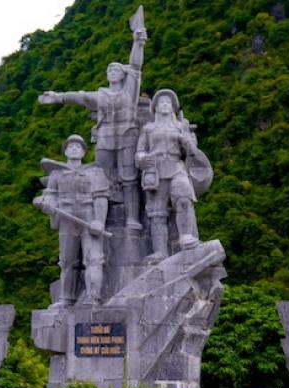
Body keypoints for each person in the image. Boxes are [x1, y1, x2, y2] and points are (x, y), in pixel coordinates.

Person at [38, 24, 147, 231]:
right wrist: (57, 97)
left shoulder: (129, 92)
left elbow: (136, 67)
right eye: (109, 69)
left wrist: (138, 42)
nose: (113, 72)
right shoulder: (101, 95)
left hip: (127, 135)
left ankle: (133, 218)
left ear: (123, 74)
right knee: (102, 177)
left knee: (129, 178)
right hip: (105, 137)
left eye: (116, 69)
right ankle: (102, 216)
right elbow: (79, 96)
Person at [34, 135, 109, 307]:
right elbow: (50, 195)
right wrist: (47, 204)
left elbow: (101, 197)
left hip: (88, 214)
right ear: (66, 151)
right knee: (67, 261)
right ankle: (66, 298)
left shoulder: (95, 171)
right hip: (66, 216)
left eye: (78, 147)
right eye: (71, 146)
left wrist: (100, 221)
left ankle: (93, 296)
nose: (74, 149)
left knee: (94, 258)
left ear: (83, 152)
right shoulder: (56, 174)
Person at [135, 89, 200, 261]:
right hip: (155, 170)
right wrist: (142, 159)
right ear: (155, 107)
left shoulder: (181, 126)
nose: (164, 104)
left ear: (173, 107)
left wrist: (186, 141)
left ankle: (186, 236)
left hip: (176, 166)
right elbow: (140, 152)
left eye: (168, 102)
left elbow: (193, 151)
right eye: (161, 102)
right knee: (157, 213)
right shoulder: (148, 129)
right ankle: (160, 251)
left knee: (184, 196)